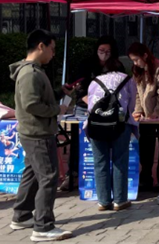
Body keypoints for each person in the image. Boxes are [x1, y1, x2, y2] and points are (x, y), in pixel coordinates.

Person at [9, 29, 74, 241]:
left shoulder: (34, 71)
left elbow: (39, 97)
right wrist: (57, 110)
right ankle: (43, 227)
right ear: (41, 46)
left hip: (34, 131)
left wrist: (59, 93)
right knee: (48, 177)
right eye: (52, 49)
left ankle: (21, 215)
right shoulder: (30, 73)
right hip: (37, 133)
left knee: (32, 173)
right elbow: (31, 104)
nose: (53, 54)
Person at [61, 36, 125, 192]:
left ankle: (109, 179)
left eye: (108, 51)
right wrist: (92, 105)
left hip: (110, 110)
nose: (104, 54)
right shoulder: (86, 64)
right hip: (85, 108)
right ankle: (73, 175)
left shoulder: (118, 66)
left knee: (108, 143)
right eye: (101, 50)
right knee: (78, 142)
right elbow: (79, 88)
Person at [84, 67, 138, 211]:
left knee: (100, 162)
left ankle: (103, 201)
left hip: (96, 125)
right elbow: (132, 105)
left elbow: (90, 105)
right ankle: (120, 201)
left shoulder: (95, 81)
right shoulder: (128, 80)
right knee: (119, 160)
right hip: (120, 124)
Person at [128, 42, 159, 191]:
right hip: (145, 118)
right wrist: (137, 110)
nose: (135, 63)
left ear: (145, 56)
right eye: (133, 61)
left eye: (137, 59)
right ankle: (146, 176)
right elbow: (137, 94)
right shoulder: (138, 71)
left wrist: (156, 112)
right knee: (145, 146)